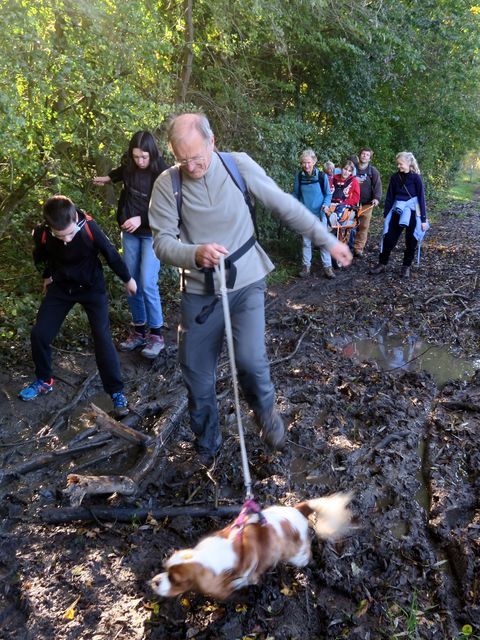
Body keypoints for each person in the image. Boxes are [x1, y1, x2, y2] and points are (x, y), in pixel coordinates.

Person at [148, 112, 352, 465]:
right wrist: (194, 253)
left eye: (198, 156)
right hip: (200, 290)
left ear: (212, 141)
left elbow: (282, 204)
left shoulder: (237, 166)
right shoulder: (168, 184)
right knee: (196, 374)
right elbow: (162, 243)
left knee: (250, 360)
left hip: (247, 281)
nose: (193, 166)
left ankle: (265, 412)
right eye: (184, 159)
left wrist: (326, 240)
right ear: (172, 153)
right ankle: (208, 443)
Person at [18, 195, 137, 416]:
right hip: (62, 288)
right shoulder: (42, 233)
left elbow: (110, 254)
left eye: (71, 233)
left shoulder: (89, 227)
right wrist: (46, 276)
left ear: (76, 218)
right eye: (60, 235)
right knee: (40, 334)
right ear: (49, 226)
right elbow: (40, 256)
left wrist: (128, 279)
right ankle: (44, 380)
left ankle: (116, 393)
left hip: (92, 288)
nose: (66, 240)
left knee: (102, 338)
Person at [94, 131, 169, 359]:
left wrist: (141, 219)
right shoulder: (129, 165)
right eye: (136, 157)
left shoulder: (162, 172)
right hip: (129, 234)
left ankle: (156, 336)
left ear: (152, 154)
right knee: (131, 282)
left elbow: (167, 209)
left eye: (144, 157)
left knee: (146, 282)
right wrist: (109, 177)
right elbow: (122, 172)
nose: (140, 162)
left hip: (152, 233)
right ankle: (139, 332)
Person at [370, 151, 428, 279]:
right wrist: (386, 215)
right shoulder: (395, 177)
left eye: (400, 164)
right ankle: (382, 263)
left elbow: (421, 198)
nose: (398, 166)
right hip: (397, 210)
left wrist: (423, 219)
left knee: (411, 241)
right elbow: (390, 196)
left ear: (408, 163)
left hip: (413, 211)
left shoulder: (416, 178)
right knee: (389, 238)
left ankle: (406, 266)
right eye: (398, 164)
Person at [293, 149, 334, 279]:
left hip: (320, 213)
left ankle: (328, 267)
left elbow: (328, 194)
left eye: (308, 162)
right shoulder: (299, 176)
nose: (306, 165)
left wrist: (325, 205)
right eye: (303, 163)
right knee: (306, 241)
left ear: (314, 162)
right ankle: (306, 267)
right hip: (306, 214)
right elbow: (296, 194)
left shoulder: (322, 176)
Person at [351, 147, 382, 257]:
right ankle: (346, 246)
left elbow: (378, 186)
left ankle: (358, 248)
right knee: (348, 225)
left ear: (370, 158)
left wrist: (376, 198)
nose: (364, 156)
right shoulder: (352, 168)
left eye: (367, 155)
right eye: (363, 154)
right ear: (360, 155)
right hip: (351, 203)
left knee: (363, 227)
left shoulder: (372, 171)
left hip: (367, 204)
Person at [326, 160, 360, 229]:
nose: (346, 172)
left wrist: (345, 202)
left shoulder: (354, 181)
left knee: (340, 208)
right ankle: (331, 222)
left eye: (349, 170)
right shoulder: (333, 178)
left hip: (344, 204)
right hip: (331, 202)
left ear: (351, 172)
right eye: (345, 169)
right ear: (341, 168)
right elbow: (327, 191)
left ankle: (333, 221)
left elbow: (356, 198)